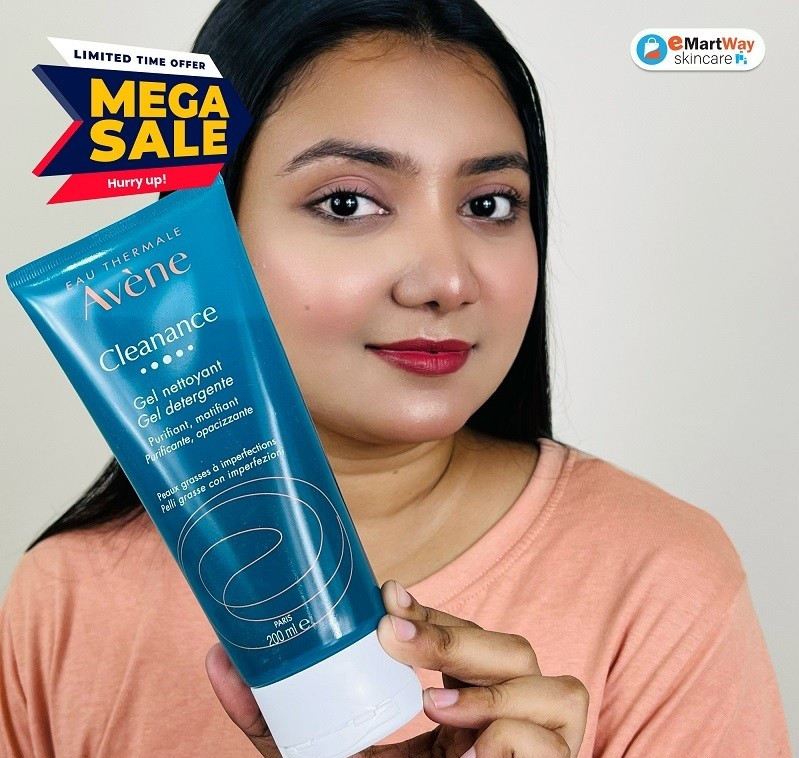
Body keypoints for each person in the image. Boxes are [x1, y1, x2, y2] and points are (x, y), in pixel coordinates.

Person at [0, 1, 791, 756]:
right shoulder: (64, 600)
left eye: (490, 204)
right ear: (208, 231)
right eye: (347, 203)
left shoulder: (662, 578)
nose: (445, 280)